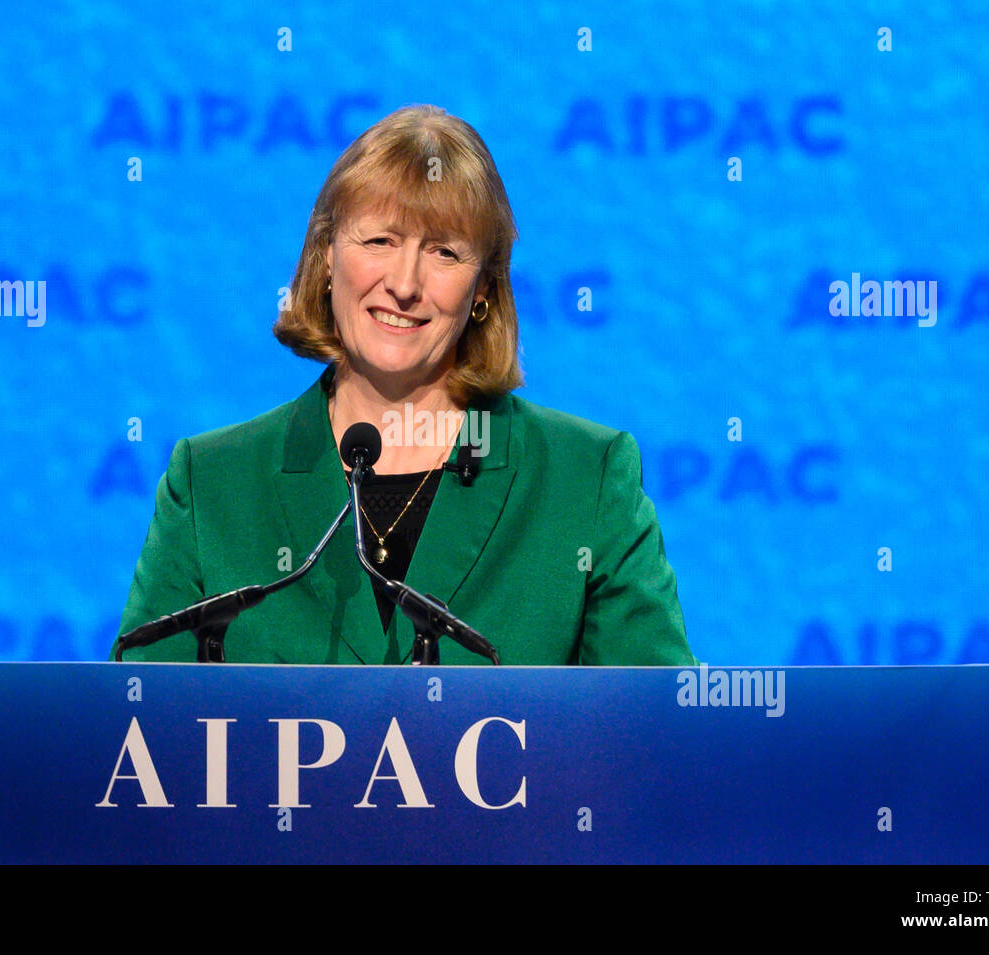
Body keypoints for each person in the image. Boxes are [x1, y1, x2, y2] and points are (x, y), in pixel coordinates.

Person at [114, 104, 694, 666]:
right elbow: (132, 730)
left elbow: (660, 740)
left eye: (444, 251)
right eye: (380, 241)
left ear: (484, 288)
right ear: (326, 258)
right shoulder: (213, 483)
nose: (405, 284)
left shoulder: (584, 480)